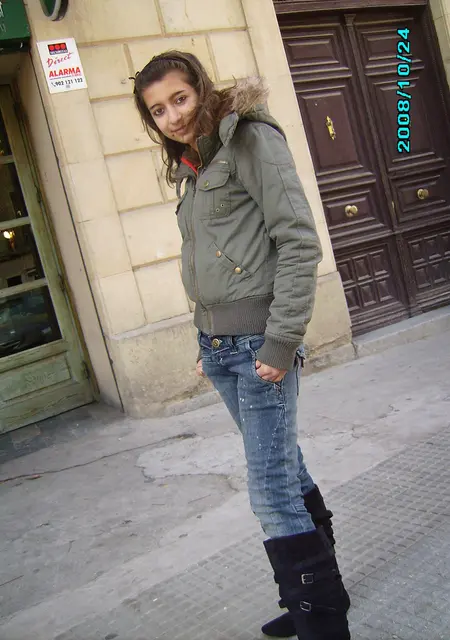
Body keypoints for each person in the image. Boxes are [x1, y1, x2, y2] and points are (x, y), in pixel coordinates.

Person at [132, 50, 351, 640]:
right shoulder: (192, 165)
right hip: (221, 346)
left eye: (180, 98)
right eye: (158, 110)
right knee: (286, 466)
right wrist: (205, 341)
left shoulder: (249, 140)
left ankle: (322, 623)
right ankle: (318, 598)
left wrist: (281, 343)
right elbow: (208, 261)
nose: (173, 116)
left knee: (270, 489)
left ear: (201, 89)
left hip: (259, 345)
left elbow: (298, 240)